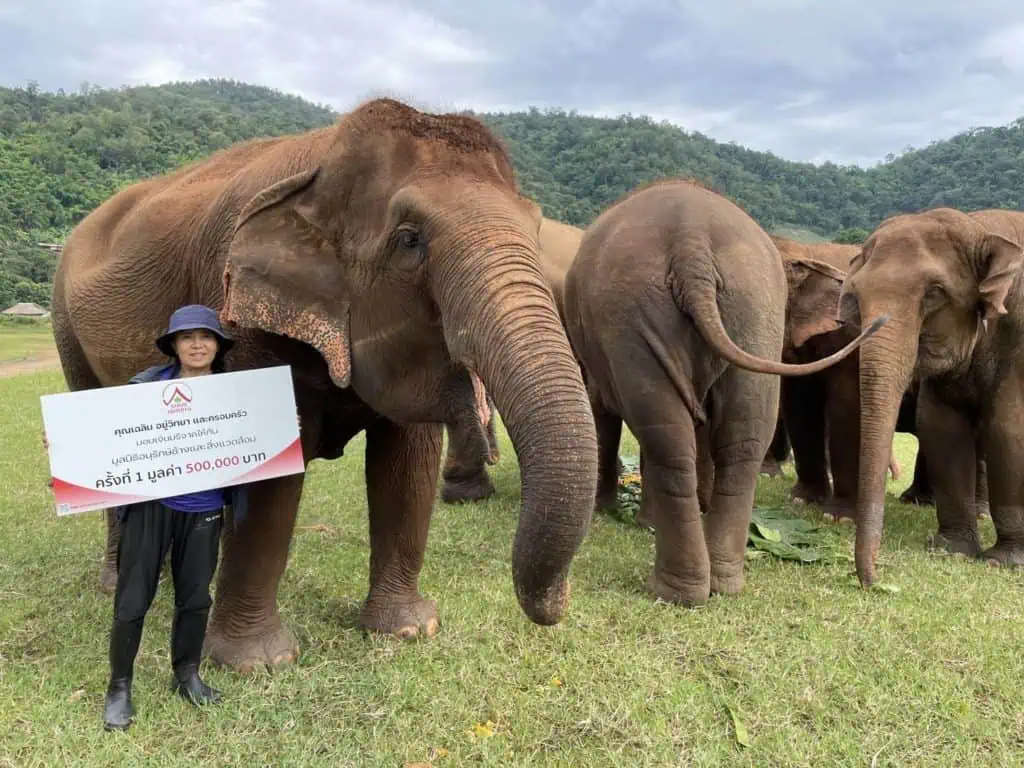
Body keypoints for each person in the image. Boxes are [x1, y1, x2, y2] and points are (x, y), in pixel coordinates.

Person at [101, 304, 248, 731]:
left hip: (204, 508)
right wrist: (68, 444)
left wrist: (279, 426)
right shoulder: (146, 387)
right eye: (187, 337)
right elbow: (104, 432)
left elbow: (256, 441)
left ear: (218, 345)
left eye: (206, 336)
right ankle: (120, 687)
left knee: (196, 596)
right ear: (174, 346)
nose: (197, 344)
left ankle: (186, 675)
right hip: (151, 505)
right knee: (132, 598)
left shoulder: (237, 395)